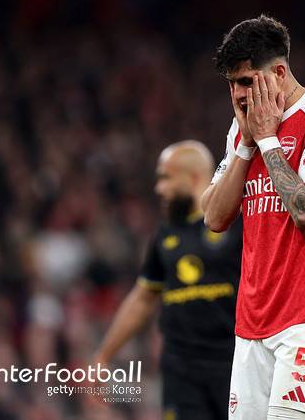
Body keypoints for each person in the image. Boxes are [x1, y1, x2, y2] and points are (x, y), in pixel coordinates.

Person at [202, 15, 305, 420]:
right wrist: (246, 145)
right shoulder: (242, 130)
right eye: (232, 84)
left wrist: (268, 139)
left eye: (246, 81)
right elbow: (214, 217)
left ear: (278, 73)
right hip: (252, 322)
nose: (238, 95)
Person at [94, 140, 242, 420]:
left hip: (233, 363)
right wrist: (104, 354)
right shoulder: (165, 235)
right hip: (180, 369)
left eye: (166, 178)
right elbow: (143, 299)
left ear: (193, 178)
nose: (159, 188)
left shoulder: (236, 224)